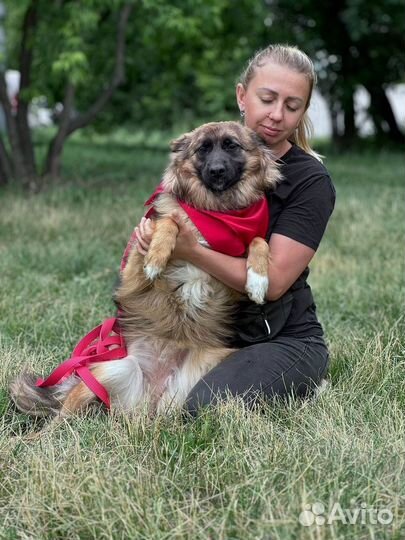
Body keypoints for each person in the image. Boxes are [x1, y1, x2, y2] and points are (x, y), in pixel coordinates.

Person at [134, 44, 336, 416]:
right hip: (209, 330)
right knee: (131, 392)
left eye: (292, 106)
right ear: (242, 96)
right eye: (267, 98)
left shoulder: (311, 181)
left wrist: (190, 250)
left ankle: (301, 377)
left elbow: (273, 283)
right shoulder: (205, 155)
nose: (276, 115)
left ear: (303, 112)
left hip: (280, 336)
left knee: (200, 408)